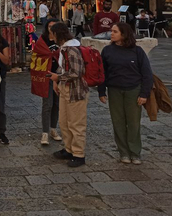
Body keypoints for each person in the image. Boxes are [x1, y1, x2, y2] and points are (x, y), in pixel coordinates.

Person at [99, 23, 153, 164]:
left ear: (124, 34)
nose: (112, 33)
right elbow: (102, 71)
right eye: (112, 31)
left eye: (115, 31)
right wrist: (101, 90)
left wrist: (144, 94)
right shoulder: (107, 50)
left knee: (133, 122)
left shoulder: (137, 51)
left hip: (133, 89)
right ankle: (123, 152)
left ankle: (135, 152)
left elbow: (146, 73)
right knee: (118, 122)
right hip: (114, 89)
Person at [48, 22, 89, 167]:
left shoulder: (71, 49)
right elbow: (62, 67)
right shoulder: (64, 49)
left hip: (75, 90)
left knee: (76, 123)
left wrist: (58, 78)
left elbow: (76, 72)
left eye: (52, 33)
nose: (50, 35)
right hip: (65, 88)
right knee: (64, 121)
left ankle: (79, 154)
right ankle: (69, 148)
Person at [33, 19, 63, 146]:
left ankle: (53, 129)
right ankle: (45, 132)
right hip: (46, 76)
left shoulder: (61, 41)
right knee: (47, 104)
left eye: (54, 26)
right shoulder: (42, 41)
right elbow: (37, 56)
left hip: (59, 75)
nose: (51, 29)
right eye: (50, 26)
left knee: (57, 104)